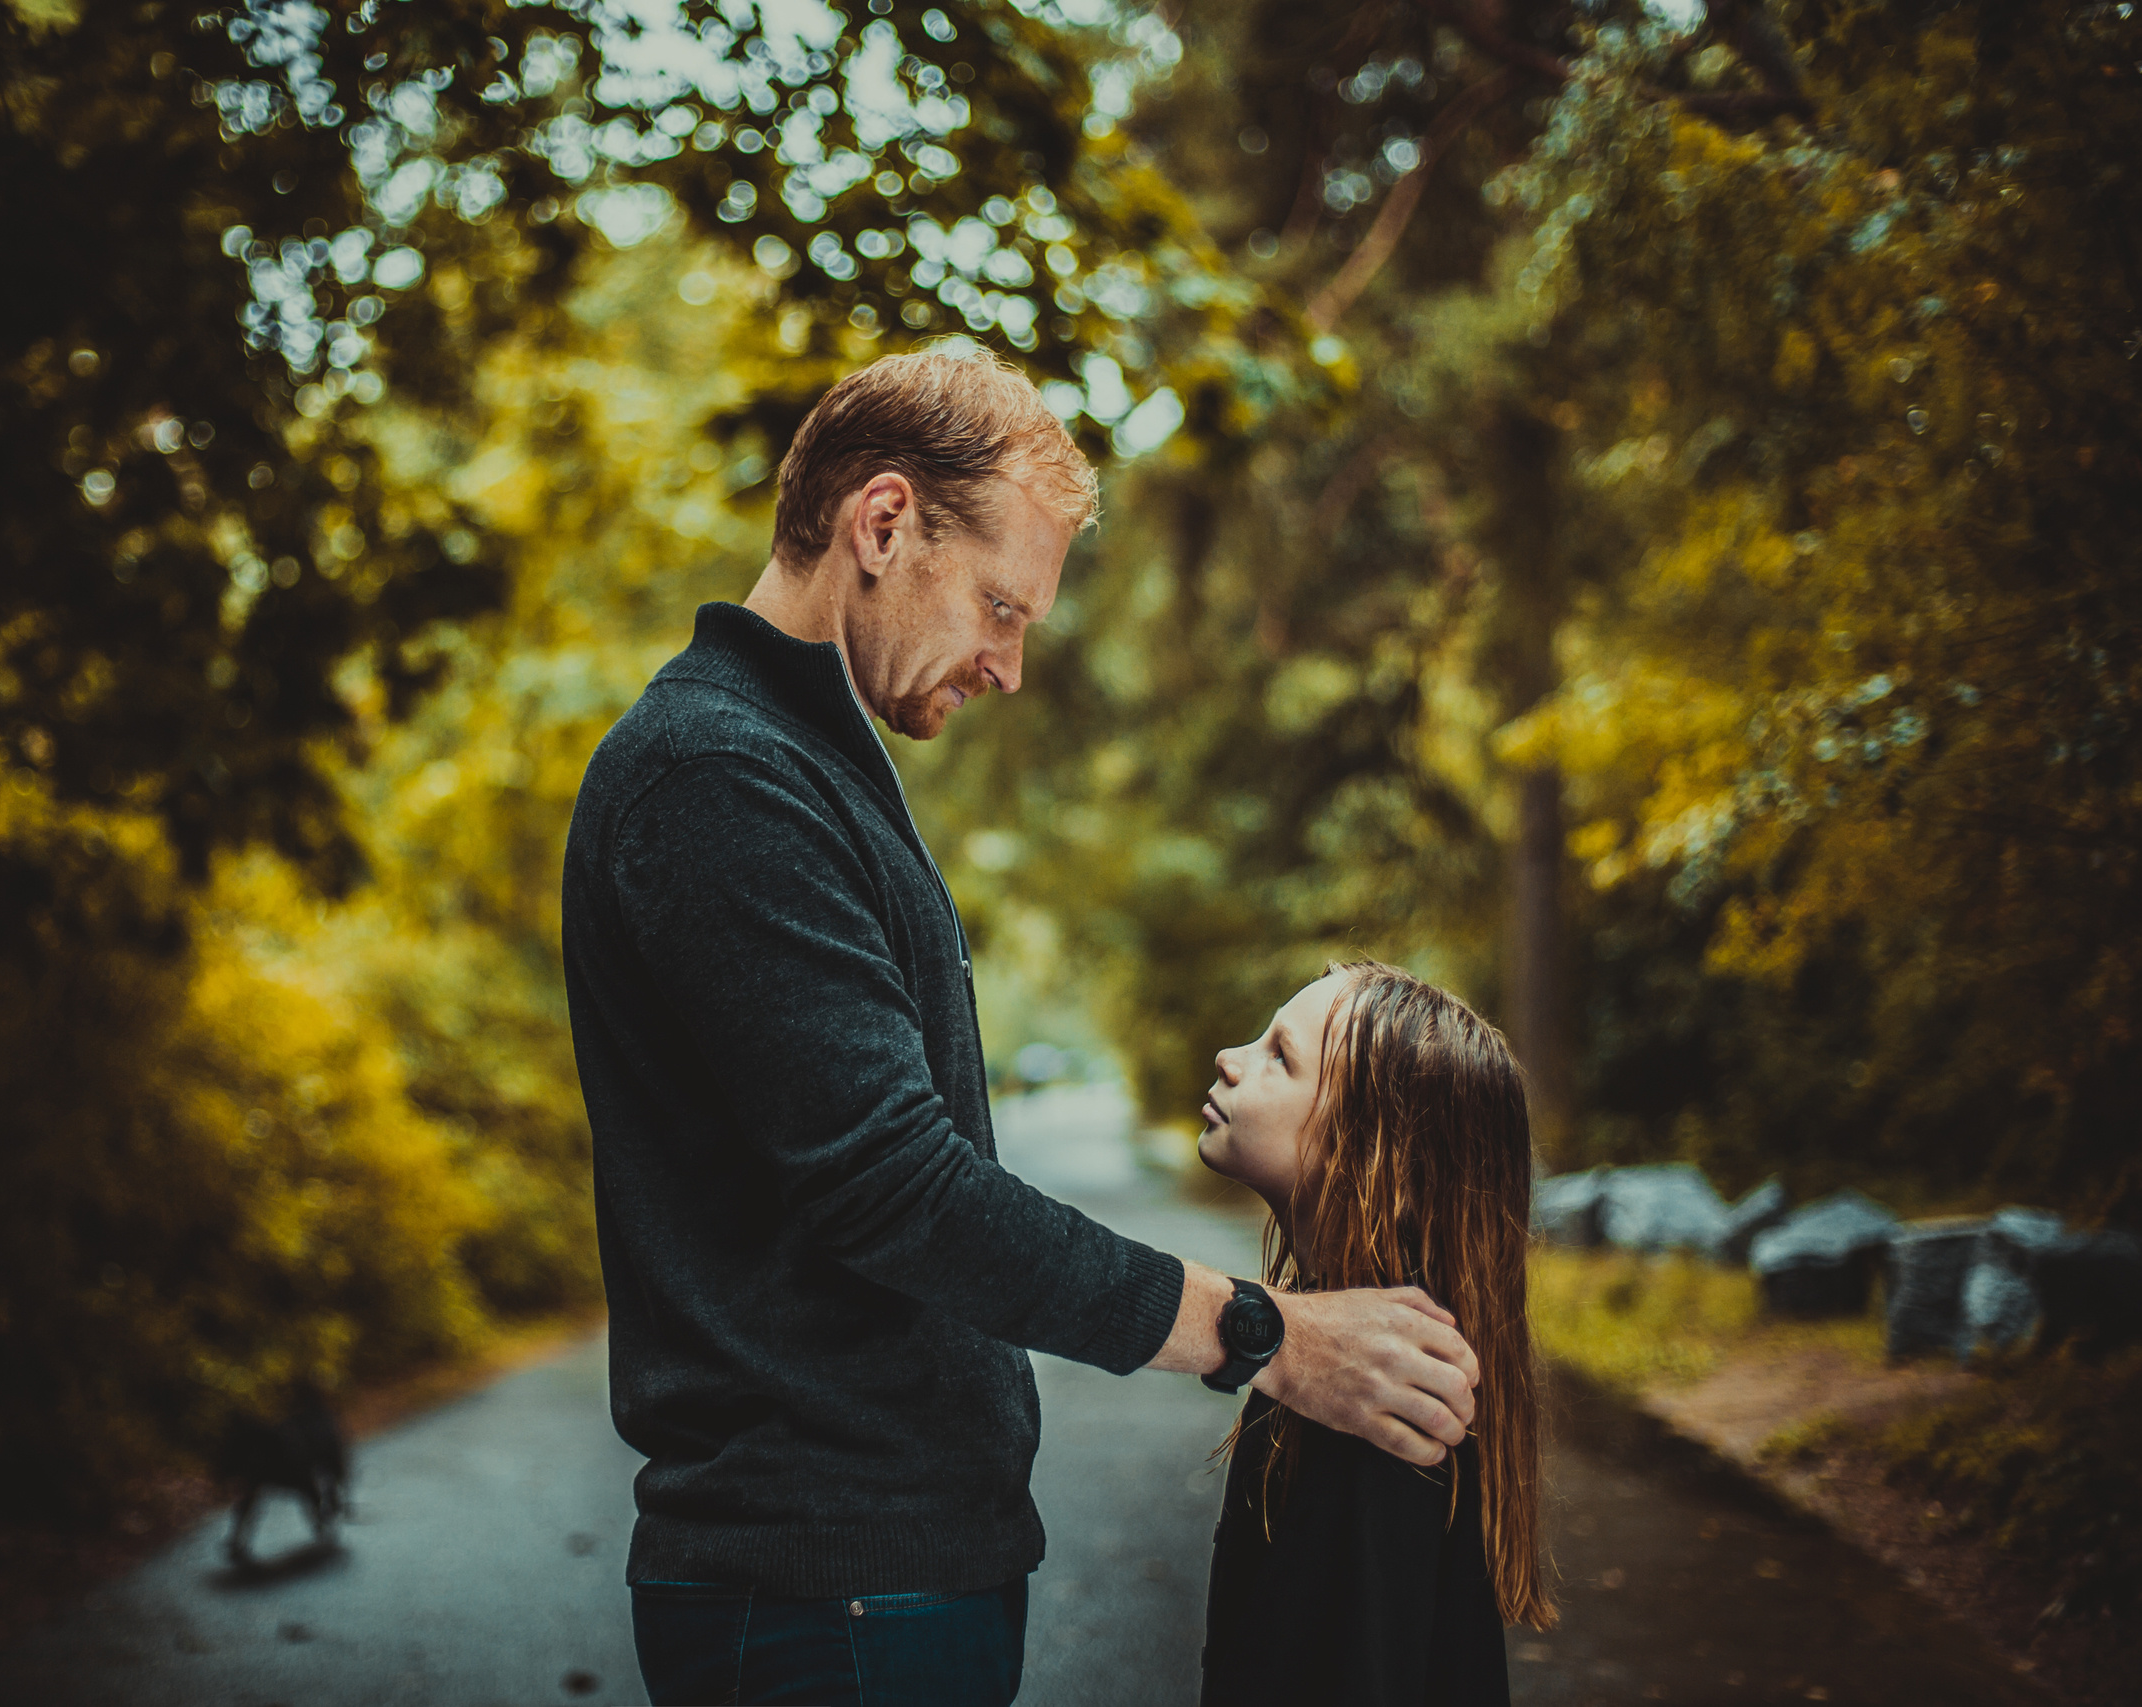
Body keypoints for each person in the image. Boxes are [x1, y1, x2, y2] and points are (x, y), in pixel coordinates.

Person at [561, 351, 1481, 1707]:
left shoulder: (803, 764)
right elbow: (897, 1188)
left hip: (877, 1580)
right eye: (1001, 604)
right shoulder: (722, 779)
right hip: (828, 1592)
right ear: (881, 524)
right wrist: (1275, 1334)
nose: (1008, 664)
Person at [1195, 962, 1557, 1706]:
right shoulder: (1325, 1343)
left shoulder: (1385, 1395)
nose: (1231, 1058)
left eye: (1279, 1055)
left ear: (1364, 1149)